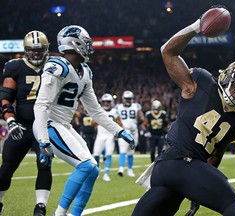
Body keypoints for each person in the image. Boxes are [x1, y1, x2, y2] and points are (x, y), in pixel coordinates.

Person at [132, 6, 235, 216]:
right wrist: (198, 24)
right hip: (183, 164)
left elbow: (215, 154)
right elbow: (167, 51)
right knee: (233, 206)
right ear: (227, 74)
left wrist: (198, 188)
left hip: (166, 170)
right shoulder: (201, 83)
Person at [32, 25, 135, 216]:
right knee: (86, 165)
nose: (89, 46)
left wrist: (118, 131)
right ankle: (60, 213)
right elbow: (40, 105)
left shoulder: (85, 72)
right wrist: (43, 141)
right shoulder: (57, 67)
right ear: (76, 43)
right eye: (86, 42)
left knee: (93, 170)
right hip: (49, 124)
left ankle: (75, 214)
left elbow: (95, 110)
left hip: (63, 125)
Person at [0, 30, 51, 216]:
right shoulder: (15, 67)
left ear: (46, 50)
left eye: (40, 50)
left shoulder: (55, 66)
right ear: (25, 50)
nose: (36, 54)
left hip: (45, 127)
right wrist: (11, 122)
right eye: (32, 50)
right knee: (6, 168)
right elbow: (5, 98)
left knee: (44, 164)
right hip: (21, 126)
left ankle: (40, 207)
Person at [93, 93, 122, 182]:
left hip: (110, 136)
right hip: (100, 135)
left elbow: (120, 124)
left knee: (108, 155)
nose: (106, 103)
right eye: (104, 102)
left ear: (111, 102)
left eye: (108, 102)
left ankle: (106, 174)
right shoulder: (100, 111)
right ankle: (97, 172)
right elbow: (92, 124)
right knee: (96, 155)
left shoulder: (115, 112)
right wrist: (96, 118)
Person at [115, 90, 144, 177]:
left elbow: (141, 117)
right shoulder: (118, 107)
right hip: (124, 131)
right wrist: (121, 126)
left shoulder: (136, 106)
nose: (128, 101)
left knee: (131, 151)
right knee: (123, 150)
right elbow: (117, 119)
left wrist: (140, 115)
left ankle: (129, 169)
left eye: (129, 99)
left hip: (133, 131)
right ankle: (121, 168)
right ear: (123, 99)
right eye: (126, 99)